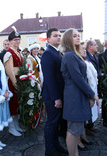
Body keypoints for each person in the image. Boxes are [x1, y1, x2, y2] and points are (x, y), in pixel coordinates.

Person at [61, 28, 99, 156]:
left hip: (78, 95)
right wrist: (92, 94)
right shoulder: (69, 55)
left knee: (76, 129)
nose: (78, 37)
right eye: (74, 36)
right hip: (74, 96)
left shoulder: (74, 54)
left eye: (78, 35)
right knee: (72, 130)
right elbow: (78, 78)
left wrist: (89, 95)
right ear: (68, 39)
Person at [41, 28, 67, 156]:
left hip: (58, 94)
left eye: (59, 35)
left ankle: (56, 145)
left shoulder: (57, 53)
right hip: (52, 96)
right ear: (48, 39)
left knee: (57, 123)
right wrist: (57, 98)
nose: (59, 37)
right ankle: (50, 150)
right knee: (51, 123)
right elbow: (49, 78)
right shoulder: (48, 54)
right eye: (55, 36)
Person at [4, 27, 24, 136]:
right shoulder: (9, 53)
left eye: (18, 39)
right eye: (15, 39)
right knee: (12, 105)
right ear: (10, 41)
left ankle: (16, 126)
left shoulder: (18, 52)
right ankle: (12, 128)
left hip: (20, 79)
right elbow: (10, 71)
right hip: (13, 82)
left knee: (17, 105)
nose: (17, 41)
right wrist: (15, 84)